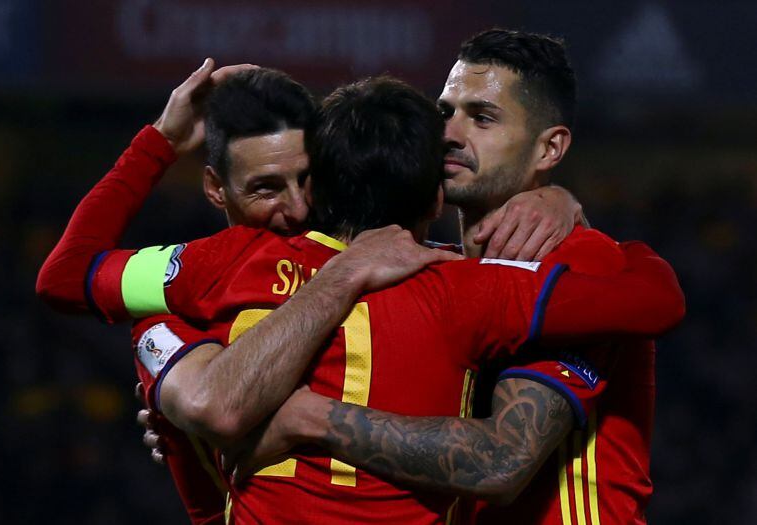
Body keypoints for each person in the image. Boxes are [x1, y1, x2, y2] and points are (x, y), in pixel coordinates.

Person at [39, 73, 683, 523]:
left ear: (322, 183)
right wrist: (576, 213)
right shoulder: (469, 289)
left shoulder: (221, 263)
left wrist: (157, 142)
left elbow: (65, 277)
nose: (289, 207)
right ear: (436, 196)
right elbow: (656, 302)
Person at [238, 29, 663, 525]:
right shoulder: (423, 263)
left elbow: (502, 464)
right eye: (445, 112)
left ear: (549, 150)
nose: (448, 135)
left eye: (482, 118)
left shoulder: (576, 264)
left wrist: (308, 419)